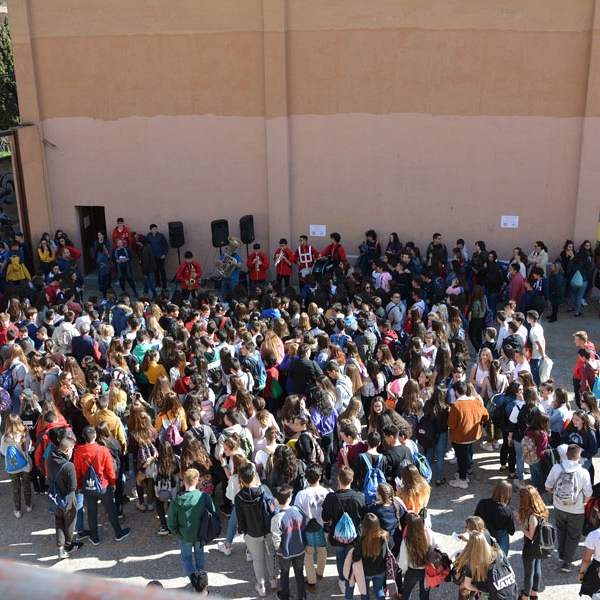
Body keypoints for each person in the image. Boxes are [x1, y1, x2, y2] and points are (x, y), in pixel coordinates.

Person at [73, 425, 131, 545]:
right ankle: (118, 533)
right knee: (111, 509)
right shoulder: (103, 450)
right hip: (103, 485)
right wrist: (113, 482)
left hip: (88, 486)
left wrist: (79, 486)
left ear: (83, 437)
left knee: (91, 511)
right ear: (95, 436)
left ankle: (94, 537)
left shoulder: (78, 452)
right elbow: (110, 469)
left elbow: (77, 471)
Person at [545, 444, 593, 572]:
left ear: (566, 455)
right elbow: (588, 494)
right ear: (579, 457)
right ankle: (567, 562)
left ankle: (561, 554)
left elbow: (548, 487)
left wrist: (557, 495)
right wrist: (582, 503)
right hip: (576, 510)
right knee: (573, 535)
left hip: (559, 506)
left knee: (561, 530)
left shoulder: (557, 467)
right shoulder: (583, 472)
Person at [235, 462, 279, 597]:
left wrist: (244, 532)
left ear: (241, 479)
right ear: (254, 476)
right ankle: (273, 580)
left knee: (258, 559)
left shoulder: (239, 497)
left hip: (252, 533)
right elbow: (273, 508)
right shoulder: (264, 489)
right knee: (270, 554)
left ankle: (261, 586)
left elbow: (240, 519)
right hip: (267, 530)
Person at [322, 465, 367, 598]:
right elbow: (364, 516)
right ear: (352, 480)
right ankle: (354, 579)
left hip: (337, 538)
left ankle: (343, 580)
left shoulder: (331, 498)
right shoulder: (360, 497)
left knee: (340, 558)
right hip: (355, 536)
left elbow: (325, 519)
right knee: (354, 558)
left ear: (338, 478)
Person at [167, 467, 214, 580]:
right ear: (197, 480)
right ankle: (201, 580)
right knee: (200, 555)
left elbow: (171, 522)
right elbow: (213, 513)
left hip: (184, 535)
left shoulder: (176, 501)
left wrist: (177, 532)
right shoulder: (204, 497)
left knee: (187, 558)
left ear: (184, 481)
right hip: (200, 533)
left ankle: (194, 581)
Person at [294, 463, 331, 592]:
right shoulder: (325, 492)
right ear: (319, 477)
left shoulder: (301, 494)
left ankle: (311, 581)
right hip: (322, 526)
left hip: (307, 528)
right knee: (322, 550)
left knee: (308, 554)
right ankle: (320, 572)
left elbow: (296, 512)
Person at [46, 435, 83, 559]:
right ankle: (69, 544)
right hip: (68, 499)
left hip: (55, 497)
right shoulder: (69, 466)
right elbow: (73, 487)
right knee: (70, 523)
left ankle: (60, 548)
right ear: (67, 450)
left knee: (59, 521)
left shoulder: (50, 458)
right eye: (72, 449)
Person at [448, 380, 489, 490]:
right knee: (466, 455)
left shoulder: (456, 405)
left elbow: (451, 424)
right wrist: (478, 424)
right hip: (473, 435)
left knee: (461, 459)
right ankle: (465, 473)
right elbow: (486, 415)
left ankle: (462, 480)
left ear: (456, 392)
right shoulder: (477, 402)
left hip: (460, 437)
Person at [271, 484, 307, 600]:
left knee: (284, 573)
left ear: (277, 500)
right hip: (300, 549)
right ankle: (302, 596)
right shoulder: (298, 512)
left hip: (284, 552)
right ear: (289, 498)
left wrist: (277, 547)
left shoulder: (276, 518)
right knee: (299, 573)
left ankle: (285, 595)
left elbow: (276, 536)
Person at [397, 512, 436, 600]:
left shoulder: (406, 540)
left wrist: (404, 570)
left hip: (412, 570)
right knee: (424, 595)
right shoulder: (429, 533)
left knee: (406, 593)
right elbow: (437, 546)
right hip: (427, 569)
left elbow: (403, 562)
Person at [0, 413, 33, 518]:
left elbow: (3, 451)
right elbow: (28, 448)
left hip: (12, 466)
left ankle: (18, 510)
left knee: (16, 488)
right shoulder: (25, 433)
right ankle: (28, 505)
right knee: (26, 485)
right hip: (25, 465)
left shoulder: (5, 437)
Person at [350, 512, 388, 600]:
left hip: (365, 572)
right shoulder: (384, 537)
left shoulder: (361, 541)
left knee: (364, 592)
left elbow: (356, 557)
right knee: (379, 590)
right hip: (380, 570)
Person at [474, 480, 515, 556]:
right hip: (499, 538)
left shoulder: (482, 503)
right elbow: (511, 531)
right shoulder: (507, 510)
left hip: (484, 534)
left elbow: (475, 518)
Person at [146, 223, 169, 290]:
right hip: (153, 256)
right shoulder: (148, 236)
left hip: (160, 256)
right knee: (155, 270)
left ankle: (164, 284)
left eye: (155, 229)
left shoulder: (161, 236)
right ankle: (158, 283)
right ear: (151, 230)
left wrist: (164, 254)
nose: (155, 230)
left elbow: (165, 246)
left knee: (162, 270)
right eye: (153, 229)